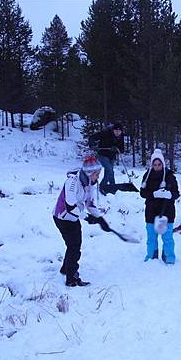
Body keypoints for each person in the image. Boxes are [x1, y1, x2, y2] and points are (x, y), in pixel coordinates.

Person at [52, 156, 104, 287]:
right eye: (96, 175)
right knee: (74, 247)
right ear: (89, 173)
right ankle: (72, 279)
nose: (98, 178)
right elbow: (70, 207)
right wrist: (86, 217)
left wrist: (99, 218)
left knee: (73, 245)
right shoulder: (72, 182)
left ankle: (66, 269)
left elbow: (90, 204)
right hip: (62, 217)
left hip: (73, 217)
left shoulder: (90, 183)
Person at [139, 149, 180, 264]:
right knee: (151, 237)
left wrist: (170, 195)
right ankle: (152, 256)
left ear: (163, 163)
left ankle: (169, 257)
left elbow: (176, 193)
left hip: (167, 211)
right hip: (151, 211)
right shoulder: (147, 176)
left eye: (159, 164)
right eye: (155, 164)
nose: (157, 166)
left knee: (167, 237)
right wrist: (153, 194)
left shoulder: (170, 176)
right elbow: (142, 193)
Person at [88, 122, 125, 190]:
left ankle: (109, 186)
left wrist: (116, 149)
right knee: (109, 170)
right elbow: (92, 137)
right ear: (113, 130)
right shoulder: (105, 133)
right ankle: (108, 186)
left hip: (111, 156)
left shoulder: (121, 136)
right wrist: (92, 145)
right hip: (102, 155)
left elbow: (122, 149)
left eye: (119, 131)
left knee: (109, 172)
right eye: (116, 131)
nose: (117, 133)